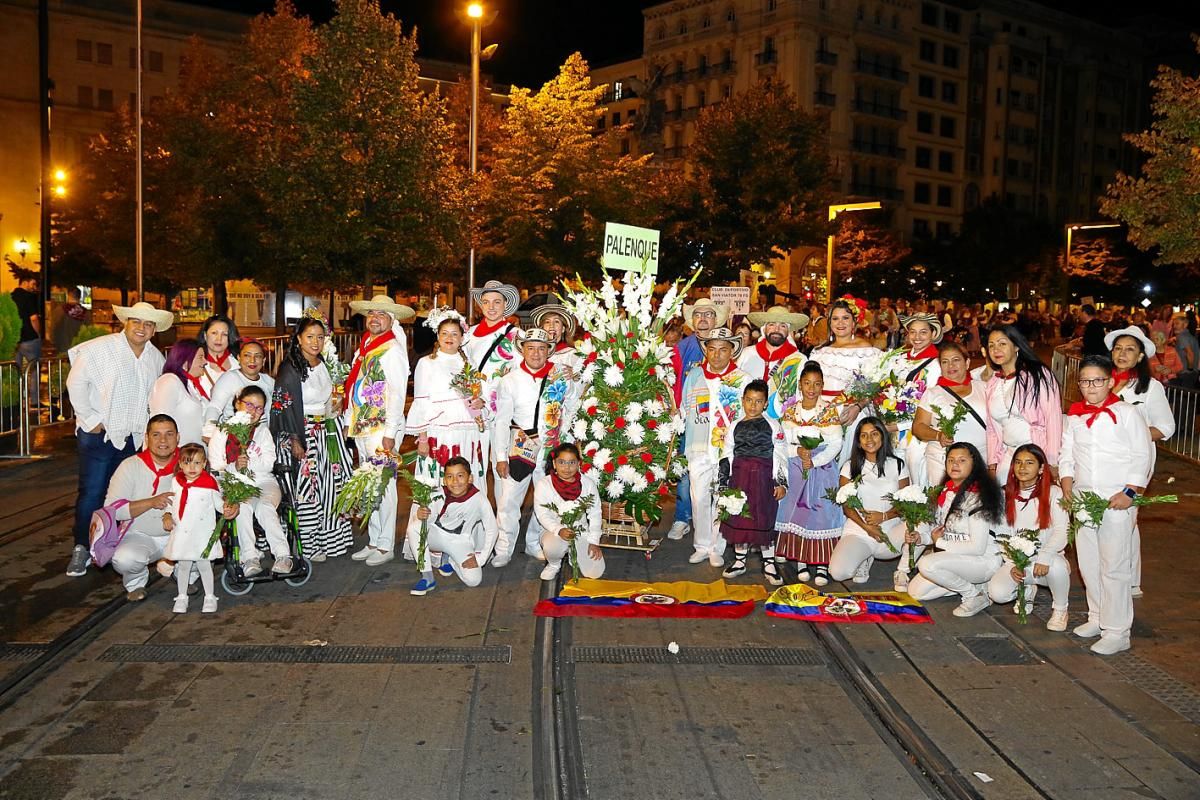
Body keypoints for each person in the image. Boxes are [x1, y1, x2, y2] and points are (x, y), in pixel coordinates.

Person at [65, 301, 172, 577]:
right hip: (99, 435)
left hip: (134, 439)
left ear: (154, 330)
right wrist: (90, 420)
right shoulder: (100, 348)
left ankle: (115, 542)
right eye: (137, 321)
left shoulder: (155, 358)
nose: (142, 328)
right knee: (92, 491)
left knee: (123, 496)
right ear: (126, 322)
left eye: (148, 324)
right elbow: (75, 383)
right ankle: (82, 547)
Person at [1060, 355, 1153, 655]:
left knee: (1114, 566)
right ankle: (1097, 615)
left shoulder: (1126, 413)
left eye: (1097, 381)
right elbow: (1066, 456)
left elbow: (1142, 455)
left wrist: (1130, 491)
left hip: (1117, 500)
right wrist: (1067, 486)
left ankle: (1117, 630)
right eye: (1085, 381)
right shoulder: (1073, 416)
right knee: (1088, 563)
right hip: (1085, 499)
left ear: (1111, 382)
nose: (1091, 387)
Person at [269, 311, 353, 561]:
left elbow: (326, 398)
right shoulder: (290, 369)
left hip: (325, 432)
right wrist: (295, 439)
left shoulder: (323, 364)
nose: (315, 342)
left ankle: (328, 541)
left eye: (319, 337)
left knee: (327, 489)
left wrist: (335, 408)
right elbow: (282, 408)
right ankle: (308, 545)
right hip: (303, 435)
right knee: (307, 491)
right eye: (309, 337)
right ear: (298, 340)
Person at [491, 329, 579, 566]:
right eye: (531, 347)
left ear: (549, 350)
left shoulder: (560, 376)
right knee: (509, 500)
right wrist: (501, 457)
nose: (536, 353)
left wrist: (564, 432)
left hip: (551, 448)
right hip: (521, 446)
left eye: (542, 348)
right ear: (522, 350)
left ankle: (533, 543)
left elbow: (572, 404)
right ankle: (504, 548)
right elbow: (501, 420)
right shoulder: (509, 380)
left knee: (545, 499)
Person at [344, 295, 414, 567]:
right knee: (368, 484)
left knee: (383, 487)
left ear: (391, 320)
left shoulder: (392, 350)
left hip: (381, 428)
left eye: (381, 315)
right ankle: (374, 539)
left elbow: (397, 394)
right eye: (371, 313)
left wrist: (390, 433)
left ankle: (385, 545)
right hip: (363, 424)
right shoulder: (368, 344)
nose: (374, 318)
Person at [1107, 325, 1174, 598]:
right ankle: (1122, 575)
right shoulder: (1102, 382)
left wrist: (1132, 436)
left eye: (1130, 350)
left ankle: (1127, 580)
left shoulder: (1149, 387)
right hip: (1105, 461)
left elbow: (1165, 427)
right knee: (1116, 519)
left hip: (1135, 462)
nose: (1122, 354)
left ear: (1140, 357)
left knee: (1127, 517)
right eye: (1118, 348)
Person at [905, 442, 1004, 616]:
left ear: (974, 466)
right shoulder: (945, 491)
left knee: (927, 564)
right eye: (950, 460)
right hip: (957, 557)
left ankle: (973, 595)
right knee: (915, 592)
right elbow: (943, 532)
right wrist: (922, 538)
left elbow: (977, 548)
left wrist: (940, 542)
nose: (955, 464)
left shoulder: (978, 497)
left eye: (961, 460)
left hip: (983, 561)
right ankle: (973, 585)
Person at [679, 327, 750, 567]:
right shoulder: (694, 376)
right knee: (698, 497)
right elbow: (685, 409)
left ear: (732, 351)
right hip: (698, 447)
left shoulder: (742, 379)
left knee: (723, 498)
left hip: (727, 450)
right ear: (706, 351)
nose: (717, 355)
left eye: (723, 350)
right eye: (712, 349)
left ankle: (717, 547)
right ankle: (701, 545)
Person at [208, 385, 291, 577]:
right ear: (238, 404)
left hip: (263, 481)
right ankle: (250, 557)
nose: (254, 411)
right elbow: (217, 467)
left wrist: (249, 463)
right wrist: (234, 467)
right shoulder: (221, 433)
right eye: (249, 405)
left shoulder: (262, 432)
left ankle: (283, 555)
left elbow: (268, 463)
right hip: (234, 483)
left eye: (259, 408)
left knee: (264, 507)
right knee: (242, 508)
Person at [987, 444, 1071, 632]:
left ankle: (1060, 609)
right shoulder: (1003, 494)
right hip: (1018, 562)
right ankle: (1027, 590)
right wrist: (1013, 562)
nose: (1022, 467)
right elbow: (1002, 535)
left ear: (1041, 468)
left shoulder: (1054, 493)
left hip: (1046, 561)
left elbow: (1062, 530)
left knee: (1058, 567)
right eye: (1018, 462)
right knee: (997, 593)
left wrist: (1045, 555)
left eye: (1029, 463)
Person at [774, 362, 844, 584]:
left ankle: (822, 564)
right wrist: (798, 451)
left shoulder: (828, 411)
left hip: (821, 470)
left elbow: (836, 443)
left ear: (822, 385)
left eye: (816, 384)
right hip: (796, 468)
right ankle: (801, 561)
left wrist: (814, 460)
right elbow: (782, 442)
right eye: (807, 383)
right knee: (797, 513)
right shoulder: (791, 411)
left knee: (821, 514)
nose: (811, 389)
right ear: (800, 386)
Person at [668, 298, 730, 542]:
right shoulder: (682, 348)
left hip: (721, 424)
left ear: (717, 319)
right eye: (698, 315)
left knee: (721, 472)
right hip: (690, 421)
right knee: (686, 472)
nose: (703, 319)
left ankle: (718, 523)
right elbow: (671, 382)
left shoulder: (726, 344)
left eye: (709, 314)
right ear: (692, 321)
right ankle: (683, 517)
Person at [828, 417, 914, 589]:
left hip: (890, 532)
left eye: (874, 434)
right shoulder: (850, 466)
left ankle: (902, 571)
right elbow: (847, 506)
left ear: (882, 436)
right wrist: (868, 527)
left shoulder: (897, 465)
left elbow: (905, 503)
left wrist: (884, 516)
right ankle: (863, 558)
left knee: (922, 525)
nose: (869, 440)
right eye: (864, 436)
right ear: (858, 442)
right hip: (860, 531)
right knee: (838, 573)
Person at [718, 380, 788, 585]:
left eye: (758, 401)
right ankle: (739, 560)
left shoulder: (773, 426)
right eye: (749, 400)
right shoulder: (734, 426)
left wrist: (780, 482)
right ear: (742, 401)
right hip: (739, 478)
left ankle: (769, 562)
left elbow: (781, 455)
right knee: (739, 517)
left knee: (764, 517)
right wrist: (723, 483)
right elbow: (727, 453)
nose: (753, 405)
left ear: (766, 404)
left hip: (764, 479)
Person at [106, 414, 180, 601]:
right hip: (141, 534)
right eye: (156, 435)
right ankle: (136, 583)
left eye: (169, 434)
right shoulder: (130, 466)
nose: (163, 440)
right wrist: (151, 502)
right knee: (125, 559)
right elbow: (113, 509)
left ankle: (185, 574)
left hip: (180, 535)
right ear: (146, 438)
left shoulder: (190, 463)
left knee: (201, 551)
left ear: (178, 437)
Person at [984, 325, 1062, 484]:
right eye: (991, 345)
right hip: (1008, 455)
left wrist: (1052, 461)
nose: (996, 349)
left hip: (1036, 454)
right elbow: (992, 428)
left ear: (1017, 346)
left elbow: (1053, 417)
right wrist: (992, 464)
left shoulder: (1038, 375)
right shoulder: (993, 383)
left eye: (1002, 343)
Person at [808, 296, 882, 463]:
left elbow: (874, 385)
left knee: (848, 463)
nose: (840, 323)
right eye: (835, 319)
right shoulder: (820, 351)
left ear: (854, 321)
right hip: (821, 413)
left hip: (852, 412)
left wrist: (858, 406)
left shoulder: (866, 350)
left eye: (845, 318)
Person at [409, 457, 497, 595]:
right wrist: (420, 515)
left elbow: (492, 529)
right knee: (415, 527)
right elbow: (429, 520)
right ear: (444, 480)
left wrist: (481, 559)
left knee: (474, 581)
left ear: (470, 478)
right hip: (437, 536)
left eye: (460, 476)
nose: (455, 481)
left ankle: (450, 558)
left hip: (460, 541)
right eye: (450, 477)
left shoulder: (479, 499)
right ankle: (427, 577)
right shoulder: (438, 493)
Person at [463, 280, 521, 479]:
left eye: (497, 302)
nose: (491, 307)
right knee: (472, 466)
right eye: (486, 302)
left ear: (506, 305)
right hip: (473, 411)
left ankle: (502, 511)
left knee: (501, 469)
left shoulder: (515, 335)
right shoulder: (469, 335)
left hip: (502, 413)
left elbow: (521, 372)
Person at [911, 341, 988, 486]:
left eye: (956, 360)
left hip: (981, 458)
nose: (950, 366)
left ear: (967, 363)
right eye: (945, 362)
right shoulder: (932, 393)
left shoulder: (984, 388)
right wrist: (938, 435)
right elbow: (918, 427)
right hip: (943, 460)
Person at [161, 442, 224, 614]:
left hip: (203, 532)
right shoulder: (176, 482)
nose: (192, 467)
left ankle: (210, 596)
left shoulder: (209, 483)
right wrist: (167, 515)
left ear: (204, 464)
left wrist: (228, 506)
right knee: (183, 565)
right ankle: (181, 596)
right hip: (183, 532)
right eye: (187, 462)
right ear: (180, 464)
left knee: (205, 565)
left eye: (197, 463)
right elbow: (171, 502)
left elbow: (219, 505)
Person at [881, 312, 944, 484]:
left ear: (933, 334)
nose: (917, 337)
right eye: (913, 332)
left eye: (923, 332)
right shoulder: (899, 358)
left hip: (916, 436)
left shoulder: (936, 365)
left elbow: (930, 408)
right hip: (893, 433)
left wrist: (898, 425)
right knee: (895, 481)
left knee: (917, 482)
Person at [535, 443, 606, 582]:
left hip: (581, 532)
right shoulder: (544, 484)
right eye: (562, 462)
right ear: (554, 464)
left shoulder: (588, 484)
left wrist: (594, 541)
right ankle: (554, 564)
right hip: (554, 532)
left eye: (572, 462)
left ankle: (575, 555)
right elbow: (542, 514)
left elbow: (595, 513)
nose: (567, 468)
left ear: (579, 463)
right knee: (552, 546)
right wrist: (559, 529)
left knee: (595, 572)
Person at [738, 305, 809, 417]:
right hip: (746, 425)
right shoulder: (747, 354)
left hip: (783, 427)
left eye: (782, 326)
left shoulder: (799, 360)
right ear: (764, 328)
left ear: (788, 331)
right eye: (771, 324)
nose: (777, 330)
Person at [203, 339, 275, 428]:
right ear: (239, 358)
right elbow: (214, 407)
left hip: (262, 438)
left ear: (263, 361)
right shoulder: (229, 378)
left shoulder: (269, 382)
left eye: (258, 356)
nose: (252, 360)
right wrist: (209, 431)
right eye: (247, 355)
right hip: (233, 437)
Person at [148, 339, 208, 446]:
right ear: (185, 360)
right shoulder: (169, 381)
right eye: (200, 357)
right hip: (174, 456)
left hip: (193, 457)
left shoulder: (191, 385)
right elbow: (161, 422)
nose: (205, 361)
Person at [196, 315, 241, 397]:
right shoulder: (195, 362)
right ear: (205, 336)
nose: (219, 339)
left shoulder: (238, 362)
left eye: (224, 334)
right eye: (214, 333)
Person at [532, 304, 582, 375]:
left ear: (563, 329)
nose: (551, 325)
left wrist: (575, 375)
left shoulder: (572, 354)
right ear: (542, 328)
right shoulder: (534, 353)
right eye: (547, 322)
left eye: (556, 322)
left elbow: (583, 380)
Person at [9, 266, 41, 370]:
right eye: (33, 284)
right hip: (29, 338)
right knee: (33, 369)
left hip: (14, 340)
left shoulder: (10, 296)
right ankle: (33, 387)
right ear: (25, 282)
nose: (34, 287)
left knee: (15, 370)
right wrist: (38, 333)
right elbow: (34, 318)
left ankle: (17, 386)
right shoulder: (29, 297)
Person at [52, 286, 86, 355]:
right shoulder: (86, 312)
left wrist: (53, 342)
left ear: (68, 296)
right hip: (81, 349)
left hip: (63, 348)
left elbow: (53, 329)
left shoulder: (59, 311)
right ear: (80, 297)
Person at [1168, 313, 1198, 388]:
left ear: (1185, 325)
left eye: (1177, 324)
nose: (1174, 326)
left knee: (1182, 396)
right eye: (1174, 324)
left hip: (1185, 372)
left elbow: (1190, 353)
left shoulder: (1182, 337)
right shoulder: (1188, 335)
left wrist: (1189, 369)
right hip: (1192, 371)